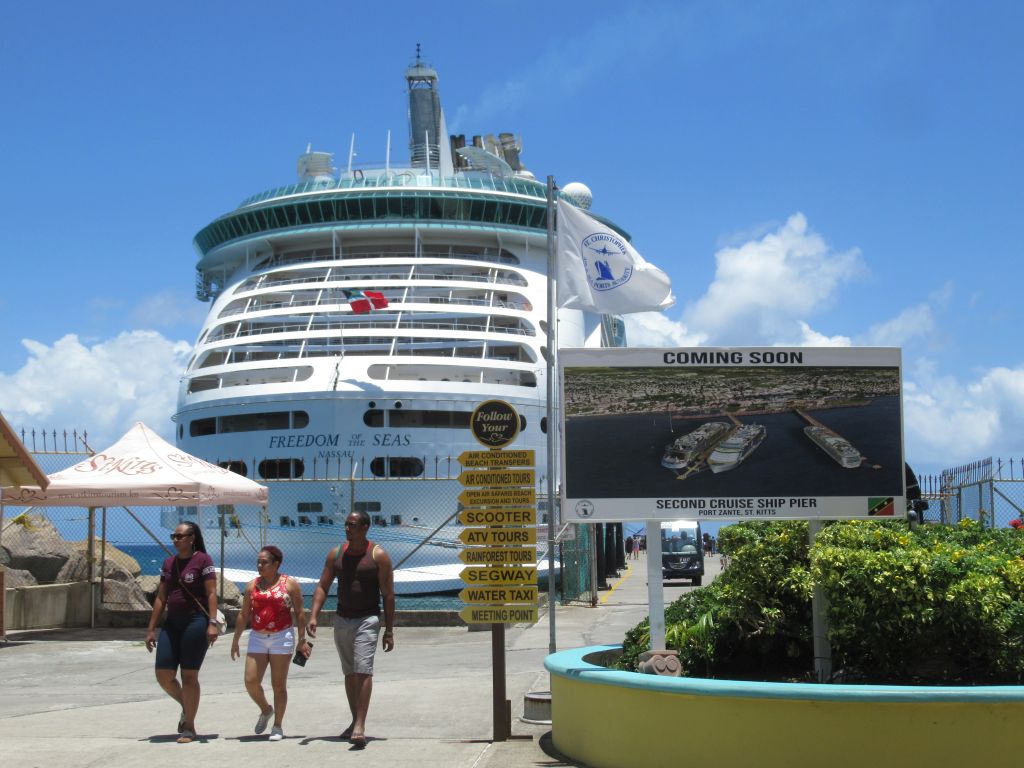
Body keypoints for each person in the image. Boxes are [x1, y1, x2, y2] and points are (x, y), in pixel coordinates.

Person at [309, 510, 395, 749]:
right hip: (342, 619)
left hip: (367, 619)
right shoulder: (335, 554)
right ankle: (354, 719)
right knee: (349, 673)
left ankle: (360, 725)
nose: (348, 528)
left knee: (363, 670)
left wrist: (388, 630)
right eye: (346, 524)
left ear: (366, 527)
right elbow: (322, 587)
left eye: (353, 525)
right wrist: (313, 615)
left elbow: (388, 595)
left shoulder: (379, 556)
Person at [145, 521, 219, 744]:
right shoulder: (169, 563)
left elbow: (212, 593)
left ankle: (189, 727)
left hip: (196, 621)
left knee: (189, 675)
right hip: (172, 623)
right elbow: (161, 597)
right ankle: (186, 707)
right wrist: (151, 629)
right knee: (163, 674)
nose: (175, 540)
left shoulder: (203, 560)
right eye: (173, 536)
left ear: (191, 538)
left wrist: (212, 622)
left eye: (180, 536)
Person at [230, 545, 311, 742]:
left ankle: (278, 726)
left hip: (282, 637)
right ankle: (266, 710)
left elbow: (300, 613)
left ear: (276, 564)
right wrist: (236, 640)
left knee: (278, 685)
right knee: (250, 681)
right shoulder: (252, 585)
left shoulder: (289, 584)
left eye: (264, 562)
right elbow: (244, 613)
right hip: (258, 637)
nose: (259, 565)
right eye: (258, 562)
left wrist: (302, 640)